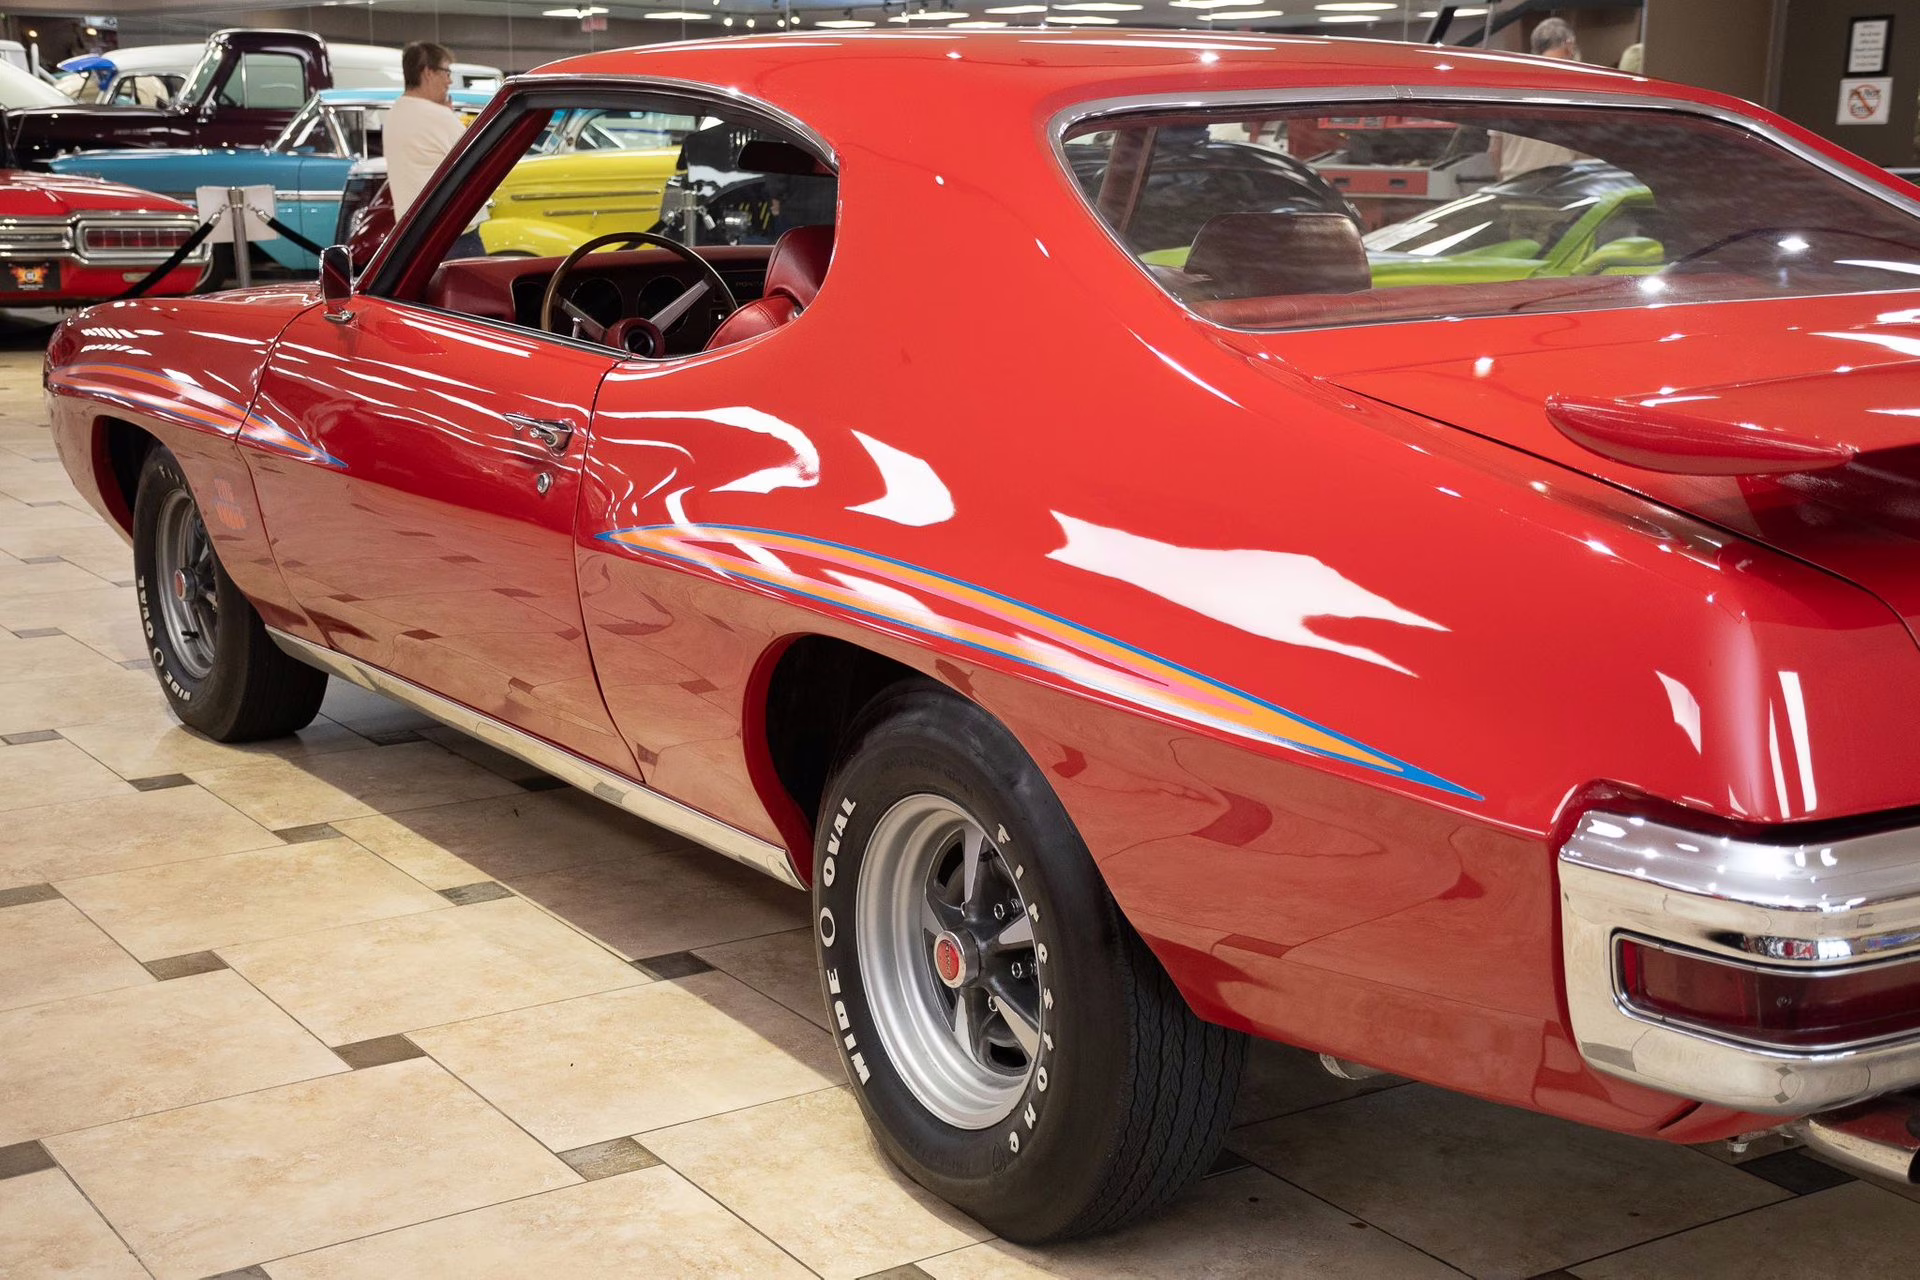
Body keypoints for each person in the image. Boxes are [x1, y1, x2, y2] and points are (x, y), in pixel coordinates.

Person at [387, 41, 485, 257]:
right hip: (454, 238)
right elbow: (479, 161)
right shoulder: (437, 116)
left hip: (412, 236)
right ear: (428, 72)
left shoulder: (395, 112)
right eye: (446, 71)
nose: (449, 80)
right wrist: (448, 116)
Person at [1489, 18, 1589, 180]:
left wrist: (1505, 183)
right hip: (1557, 187)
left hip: (1513, 187)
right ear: (1569, 44)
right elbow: (1585, 148)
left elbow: (1494, 149)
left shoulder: (1508, 87)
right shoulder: (1576, 87)